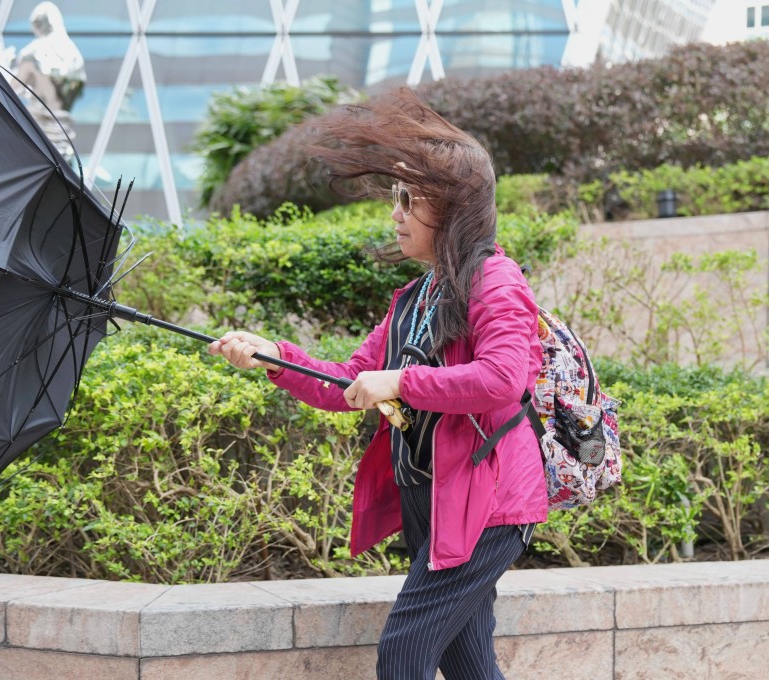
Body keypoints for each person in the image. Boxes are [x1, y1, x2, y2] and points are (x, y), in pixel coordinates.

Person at [208, 88, 548, 679]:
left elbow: (500, 380)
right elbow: (346, 381)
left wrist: (401, 381)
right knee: (469, 664)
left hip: (487, 502)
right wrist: (272, 356)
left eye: (407, 200)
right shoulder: (416, 298)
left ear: (451, 209)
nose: (395, 214)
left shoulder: (495, 279)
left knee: (403, 653)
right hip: (432, 496)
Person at [7, 1, 86, 162]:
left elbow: (11, 88)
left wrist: (3, 64)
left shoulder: (33, 53)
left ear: (38, 25)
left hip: (39, 131)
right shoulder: (74, 55)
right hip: (64, 134)